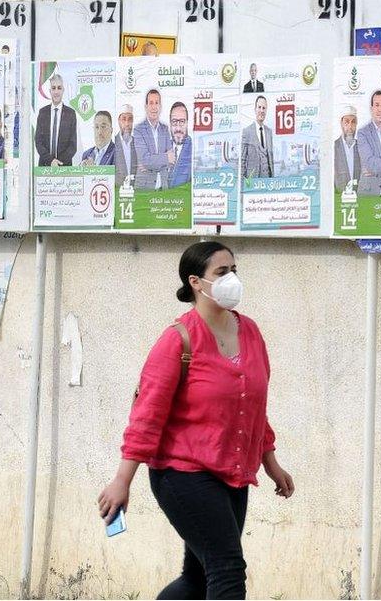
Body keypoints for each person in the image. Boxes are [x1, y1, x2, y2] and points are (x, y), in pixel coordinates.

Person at [97, 241, 294, 601]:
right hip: (182, 473)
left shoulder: (249, 332)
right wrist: (122, 480)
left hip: (231, 473)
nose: (232, 278)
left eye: (234, 270)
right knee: (228, 570)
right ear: (196, 282)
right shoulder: (178, 340)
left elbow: (253, 408)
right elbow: (146, 417)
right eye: (222, 272)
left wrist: (271, 462)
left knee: (199, 578)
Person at [132, 89, 173, 190]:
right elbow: (145, 160)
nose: (154, 107)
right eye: (151, 103)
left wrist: (150, 164)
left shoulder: (165, 129)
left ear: (160, 107)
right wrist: (164, 158)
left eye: (157, 103)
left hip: (163, 188)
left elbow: (172, 160)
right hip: (144, 189)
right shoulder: (138, 130)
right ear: (146, 107)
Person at [35, 73, 78, 166]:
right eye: (53, 88)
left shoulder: (71, 114)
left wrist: (58, 163)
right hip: (45, 165)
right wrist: (51, 161)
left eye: (59, 88)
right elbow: (38, 141)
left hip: (64, 166)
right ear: (50, 91)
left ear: (63, 90)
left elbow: (73, 145)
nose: (56, 91)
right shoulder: (42, 112)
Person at [240, 96, 273, 178]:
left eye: (264, 108)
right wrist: (242, 181)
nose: (261, 111)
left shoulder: (269, 132)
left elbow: (270, 158)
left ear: (266, 111)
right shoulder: (247, 131)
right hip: (252, 180)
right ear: (255, 109)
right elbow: (242, 160)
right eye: (259, 107)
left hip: (268, 181)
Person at [333, 104, 361, 191]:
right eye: (346, 122)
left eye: (353, 122)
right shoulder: (333, 147)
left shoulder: (361, 147)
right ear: (341, 124)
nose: (350, 127)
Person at [168, 101, 192, 187]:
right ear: (170, 123)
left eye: (182, 121)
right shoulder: (162, 148)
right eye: (174, 122)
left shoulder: (194, 151)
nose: (178, 128)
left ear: (187, 123)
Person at [114, 104, 137, 187]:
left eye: (130, 119)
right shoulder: (112, 143)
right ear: (119, 121)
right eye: (124, 119)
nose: (127, 124)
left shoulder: (138, 143)